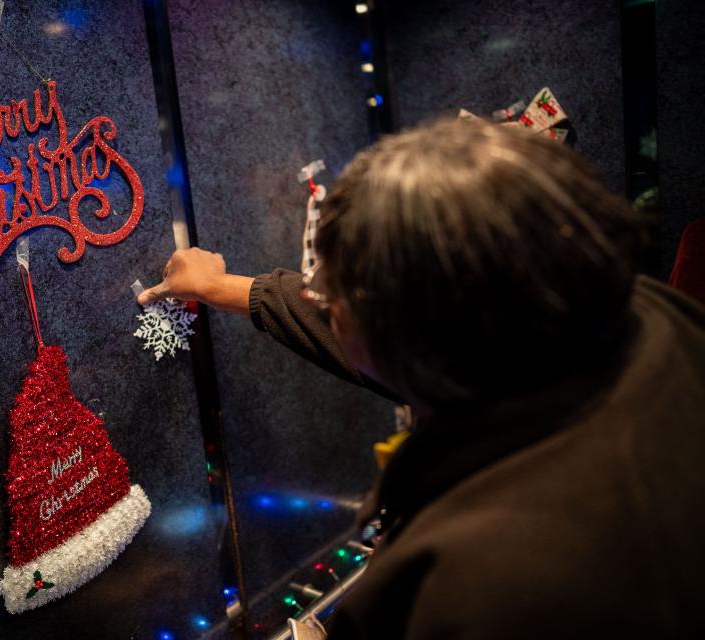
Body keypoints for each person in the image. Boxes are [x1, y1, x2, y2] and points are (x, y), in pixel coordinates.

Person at [138, 119, 705, 638]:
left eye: (333, 301)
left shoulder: (470, 584)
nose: (322, 305)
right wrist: (225, 287)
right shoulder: (649, 315)